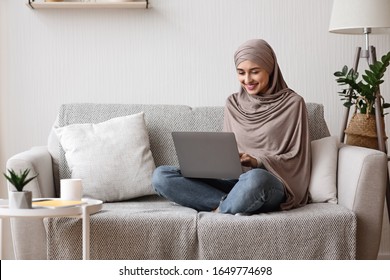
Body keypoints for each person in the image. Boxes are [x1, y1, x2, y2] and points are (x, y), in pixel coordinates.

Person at [152, 39, 311, 215]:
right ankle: (229, 204)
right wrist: (213, 161)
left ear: (270, 68)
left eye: (255, 72)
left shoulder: (293, 104)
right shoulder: (233, 103)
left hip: (267, 182)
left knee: (255, 178)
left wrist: (257, 161)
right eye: (241, 72)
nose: (247, 79)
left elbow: (297, 157)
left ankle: (220, 208)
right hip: (233, 182)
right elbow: (227, 149)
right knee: (162, 175)